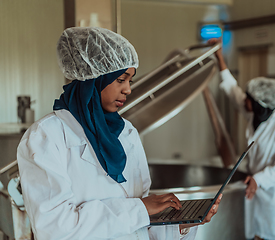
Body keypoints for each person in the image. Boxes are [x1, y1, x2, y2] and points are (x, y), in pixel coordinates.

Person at [16, 27, 221, 240]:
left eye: (130, 81)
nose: (128, 90)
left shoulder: (126, 132)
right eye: (120, 79)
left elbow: (142, 223)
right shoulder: (46, 137)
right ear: (95, 78)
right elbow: (56, 229)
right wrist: (139, 209)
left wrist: (183, 223)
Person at [208, 38, 275, 240]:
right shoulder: (256, 114)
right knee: (257, 234)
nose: (244, 100)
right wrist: (219, 59)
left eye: (249, 99)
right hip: (256, 193)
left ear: (261, 103)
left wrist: (259, 179)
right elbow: (233, 92)